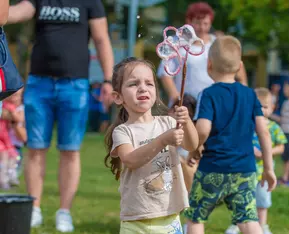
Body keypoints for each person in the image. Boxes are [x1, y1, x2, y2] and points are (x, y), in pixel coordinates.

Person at [7, 0, 114, 231]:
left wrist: (108, 80)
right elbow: (12, 13)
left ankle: (64, 212)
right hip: (38, 84)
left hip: (75, 86)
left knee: (70, 150)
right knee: (35, 148)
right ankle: (33, 208)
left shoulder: (91, 2)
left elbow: (102, 39)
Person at [184, 36, 276, 234]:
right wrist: (268, 168)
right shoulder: (251, 95)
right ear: (240, 66)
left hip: (212, 169)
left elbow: (202, 130)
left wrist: (194, 149)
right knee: (248, 219)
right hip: (245, 170)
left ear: (209, 65)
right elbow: (264, 133)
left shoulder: (208, 94)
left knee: (196, 218)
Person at [104, 57, 198, 233]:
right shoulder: (123, 131)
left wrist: (187, 122)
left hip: (169, 215)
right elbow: (131, 160)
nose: (142, 88)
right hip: (136, 220)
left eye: (149, 83)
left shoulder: (168, 123)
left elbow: (192, 145)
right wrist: (162, 140)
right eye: (133, 84)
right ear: (118, 97)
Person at [157, 2, 247, 107]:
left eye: (206, 23)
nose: (202, 27)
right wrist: (176, 98)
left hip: (214, 103)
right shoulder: (177, 43)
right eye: (198, 23)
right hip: (187, 105)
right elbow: (165, 74)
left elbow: (237, 69)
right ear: (189, 22)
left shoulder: (217, 43)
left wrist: (242, 96)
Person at [225, 88, 287, 234]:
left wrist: (268, 151)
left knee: (262, 201)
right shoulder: (245, 125)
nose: (261, 110)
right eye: (257, 107)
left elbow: (281, 146)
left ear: (272, 108)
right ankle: (236, 224)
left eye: (265, 107)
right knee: (241, 200)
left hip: (264, 173)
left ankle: (262, 225)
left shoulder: (273, 127)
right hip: (244, 170)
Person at [168, 94, 198, 193]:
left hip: (185, 174)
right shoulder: (161, 126)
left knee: (189, 164)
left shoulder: (192, 134)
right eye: (175, 111)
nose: (179, 118)